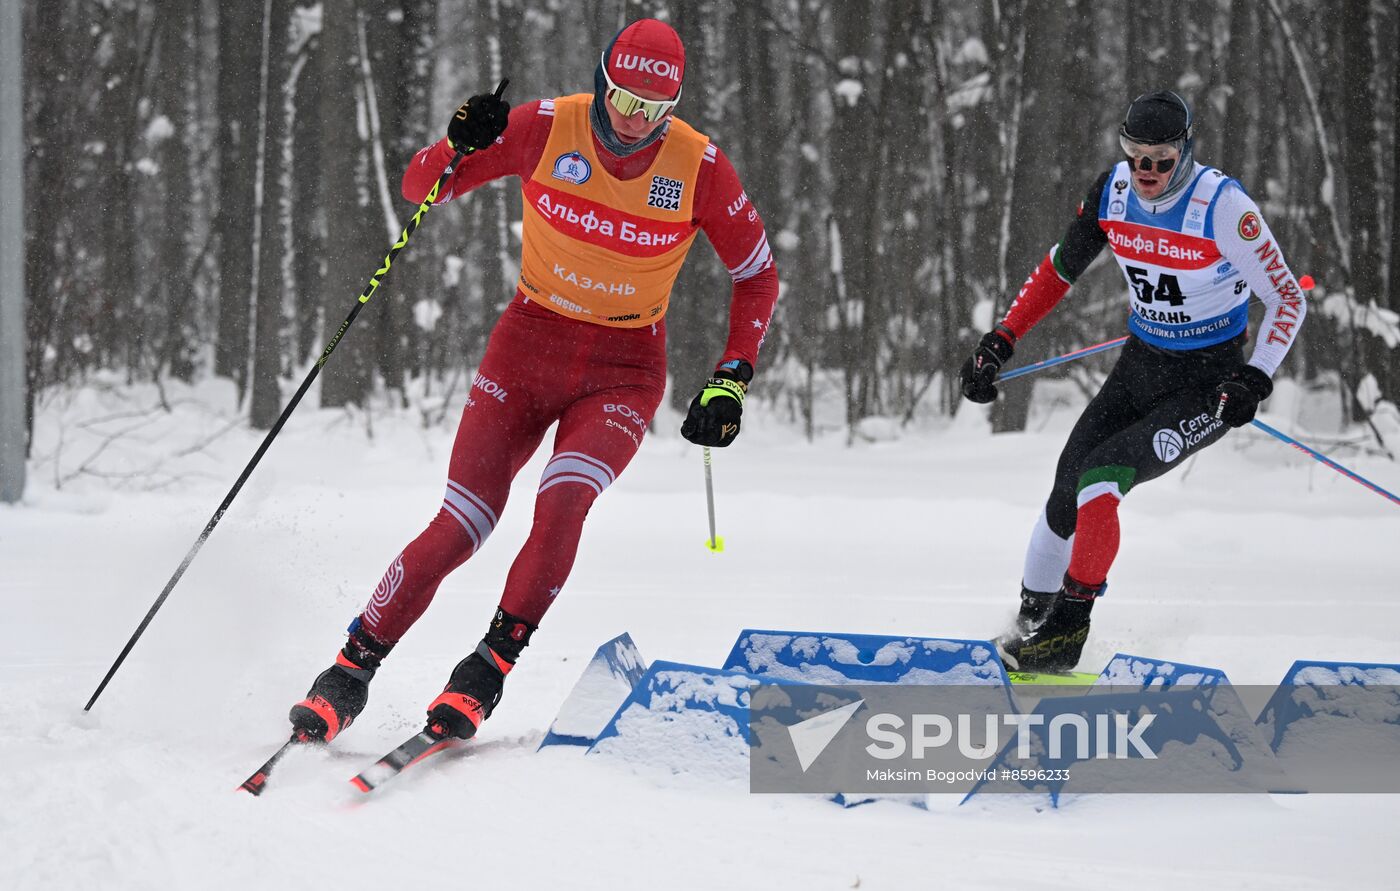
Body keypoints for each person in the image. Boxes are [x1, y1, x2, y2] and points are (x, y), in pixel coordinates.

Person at [288, 19, 778, 743]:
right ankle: (348, 670)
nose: (634, 120)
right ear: (603, 78)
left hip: (623, 369)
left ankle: (485, 669)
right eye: (623, 98)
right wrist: (459, 142)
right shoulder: (548, 126)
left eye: (654, 108)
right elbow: (421, 185)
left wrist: (731, 378)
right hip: (527, 347)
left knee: (564, 499)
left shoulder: (700, 166)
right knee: (462, 521)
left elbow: (756, 275)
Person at [959, 91, 1307, 672]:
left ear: (1186, 152)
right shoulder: (1112, 191)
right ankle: (1029, 621)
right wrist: (1001, 338)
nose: (1145, 172)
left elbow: (1288, 298)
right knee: (1067, 483)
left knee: (1102, 480)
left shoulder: (1223, 208)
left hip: (1209, 383)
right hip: (1143, 363)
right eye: (1135, 155)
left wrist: (1255, 377)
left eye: (1161, 160)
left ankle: (1066, 633)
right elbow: (1057, 270)